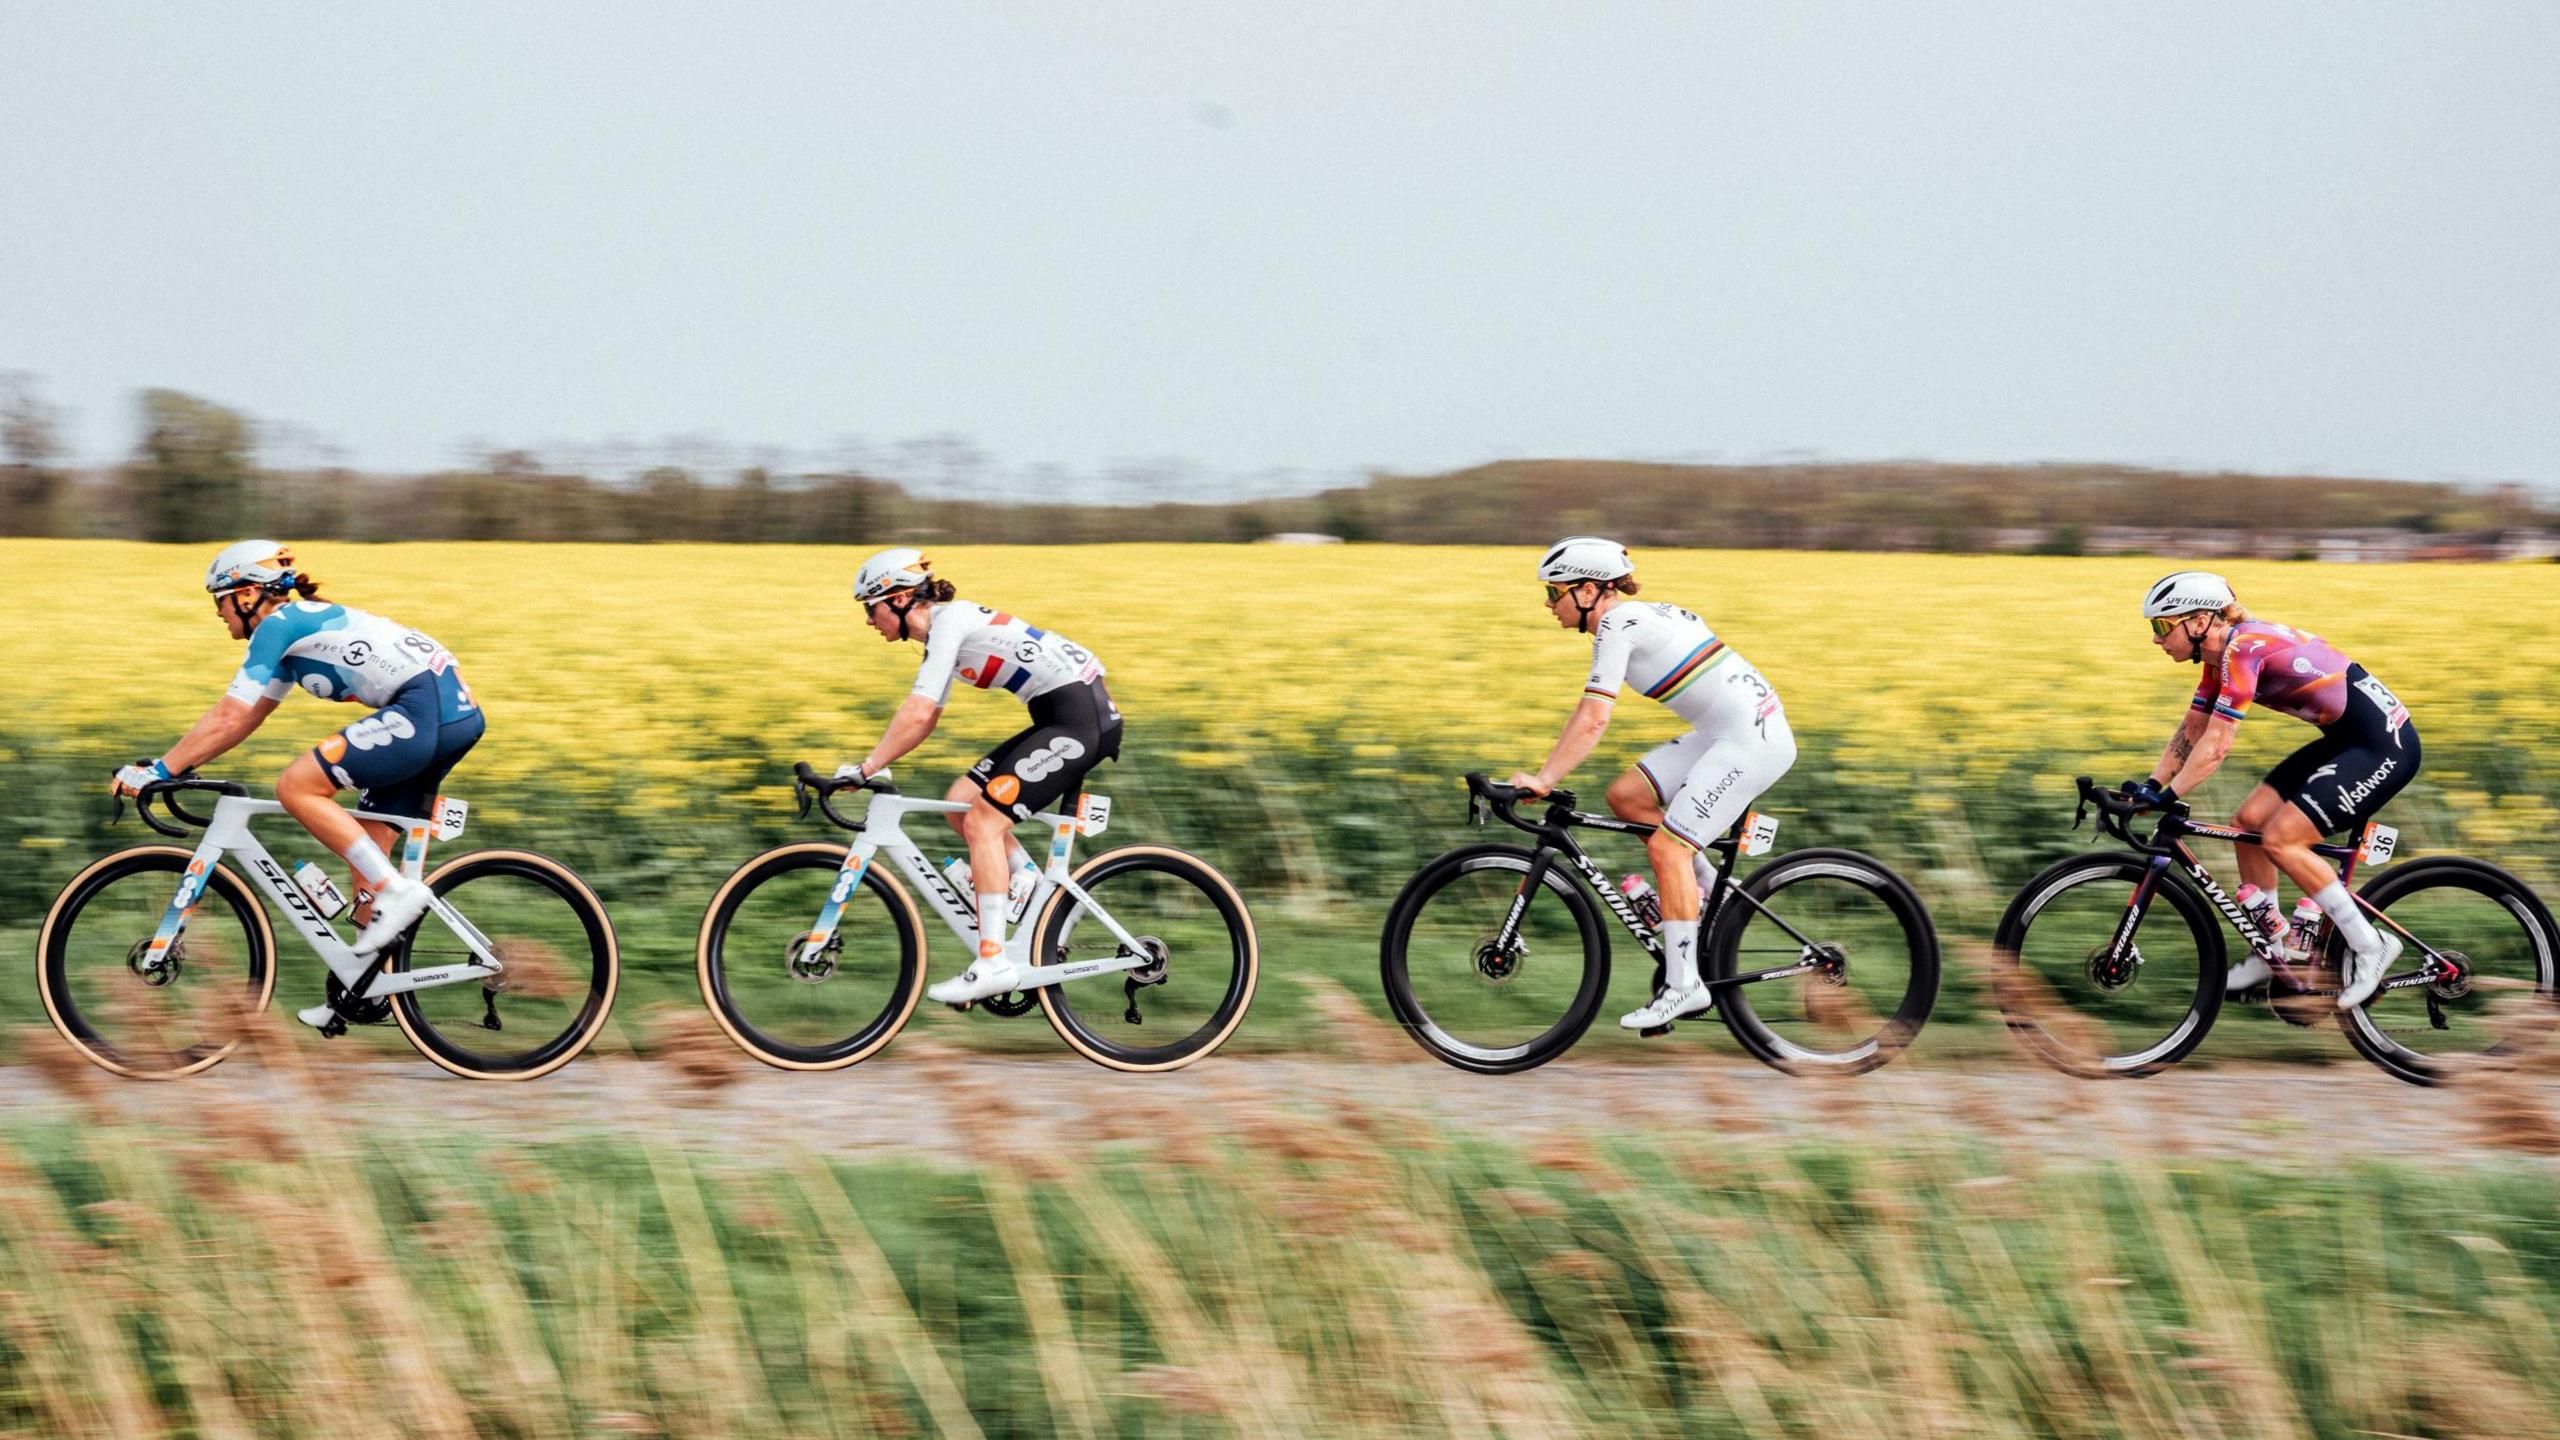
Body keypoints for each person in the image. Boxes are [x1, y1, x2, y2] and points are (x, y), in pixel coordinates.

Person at [111, 541, 485, 1025]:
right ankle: (365, 992)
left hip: (423, 709)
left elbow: (228, 715)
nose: (218, 614)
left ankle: (397, 894)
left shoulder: (278, 626)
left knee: (296, 787)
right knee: (367, 861)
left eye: (219, 601)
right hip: (448, 713)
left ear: (246, 595)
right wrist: (178, 764)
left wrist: (158, 771)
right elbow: (245, 719)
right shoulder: (291, 639)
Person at [1505, 536, 1796, 1030]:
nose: (1550, 605)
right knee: (1627, 797)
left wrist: (1545, 778)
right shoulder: (1639, 615)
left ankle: (1685, 985)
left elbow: (1595, 717)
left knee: (1668, 850)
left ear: (1588, 590)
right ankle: (1713, 897)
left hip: (1748, 742)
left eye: (1555, 594)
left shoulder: (1618, 624)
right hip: (1728, 733)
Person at [838, 547, 1122, 1005]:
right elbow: (927, 719)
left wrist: (866, 768)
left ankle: (992, 962)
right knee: (962, 803)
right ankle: (1033, 900)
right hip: (1061, 716)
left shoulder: (950, 623)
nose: (869, 621)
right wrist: (873, 764)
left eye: (870, 609)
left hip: (1077, 720)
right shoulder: (945, 632)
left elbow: (919, 710)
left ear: (899, 598)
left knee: (984, 822)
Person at [2131, 570, 2419, 1008]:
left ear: (2198, 622)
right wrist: (2151, 785)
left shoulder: (2244, 650)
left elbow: (2217, 744)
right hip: (2345, 741)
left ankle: (2370, 944)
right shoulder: (2219, 658)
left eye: (2161, 627)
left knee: (2283, 839)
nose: (2156, 639)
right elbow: (2193, 728)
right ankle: (2273, 951)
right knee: (2246, 825)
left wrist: (2168, 799)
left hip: (2382, 747)